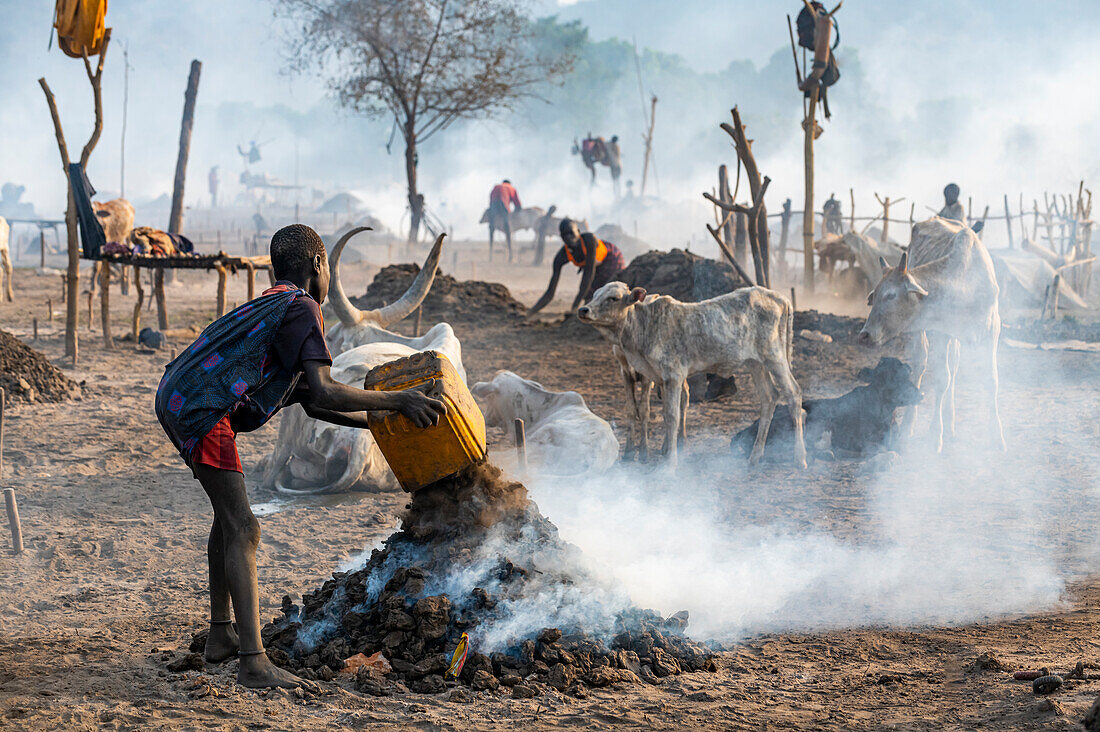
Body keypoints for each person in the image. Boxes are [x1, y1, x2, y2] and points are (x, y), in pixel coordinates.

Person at [154, 224, 446, 689]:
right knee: (245, 528)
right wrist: (399, 401)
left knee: (227, 521)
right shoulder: (302, 307)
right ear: (318, 265)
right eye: (328, 266)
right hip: (201, 409)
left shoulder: (277, 304)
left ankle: (220, 637)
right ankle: (253, 662)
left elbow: (315, 400)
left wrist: (380, 426)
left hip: (181, 396)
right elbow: (329, 388)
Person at [528, 218, 626, 315]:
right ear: (561, 237)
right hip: (595, 267)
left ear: (578, 231)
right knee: (589, 294)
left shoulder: (589, 240)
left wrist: (574, 308)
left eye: (571, 233)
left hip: (612, 260)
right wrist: (531, 312)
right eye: (565, 235)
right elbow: (550, 292)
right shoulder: (561, 256)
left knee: (604, 291)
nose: (569, 237)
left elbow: (587, 276)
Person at [487, 179, 522, 262]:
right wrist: (518, 209)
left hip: (493, 204)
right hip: (503, 204)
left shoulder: (496, 186)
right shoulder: (511, 188)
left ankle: (490, 256)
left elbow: (490, 198)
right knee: (507, 227)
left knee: (491, 227)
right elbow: (517, 202)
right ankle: (510, 254)